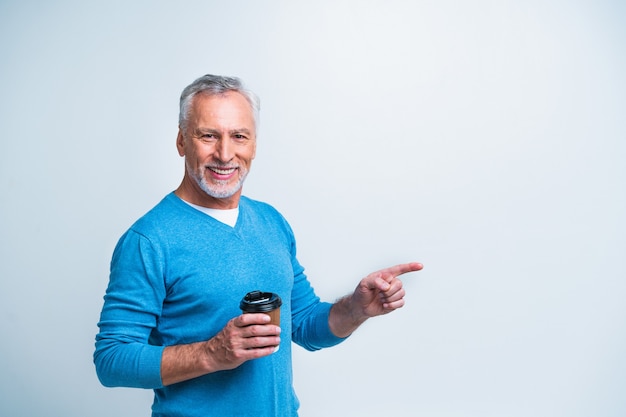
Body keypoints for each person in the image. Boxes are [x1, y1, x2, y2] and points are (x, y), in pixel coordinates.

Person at [94, 74, 423, 417]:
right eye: (208, 136)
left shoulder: (271, 222)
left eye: (238, 136)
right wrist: (211, 353)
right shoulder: (148, 240)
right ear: (181, 142)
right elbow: (112, 358)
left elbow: (304, 324)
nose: (224, 153)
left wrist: (355, 309)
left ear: (253, 144)